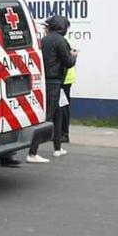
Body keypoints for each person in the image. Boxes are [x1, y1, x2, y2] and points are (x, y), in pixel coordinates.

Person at [27, 15, 76, 163]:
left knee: (58, 113)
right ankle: (32, 153)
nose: (45, 28)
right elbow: (68, 62)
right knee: (47, 116)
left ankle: (57, 148)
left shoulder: (44, 40)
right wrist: (74, 56)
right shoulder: (60, 40)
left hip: (49, 81)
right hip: (54, 82)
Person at [59, 46, 76, 144]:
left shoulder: (61, 42)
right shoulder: (63, 42)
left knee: (63, 108)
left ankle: (63, 134)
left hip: (63, 80)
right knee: (62, 107)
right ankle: (62, 133)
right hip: (65, 79)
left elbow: (68, 61)